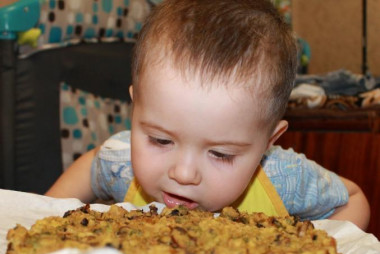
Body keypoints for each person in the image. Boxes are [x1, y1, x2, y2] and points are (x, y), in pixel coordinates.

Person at [45, 0, 370, 230]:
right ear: (135, 110)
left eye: (220, 153)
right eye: (160, 140)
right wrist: (42, 217)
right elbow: (92, 165)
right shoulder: (122, 164)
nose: (184, 174)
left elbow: (353, 199)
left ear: (267, 144)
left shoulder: (283, 177)